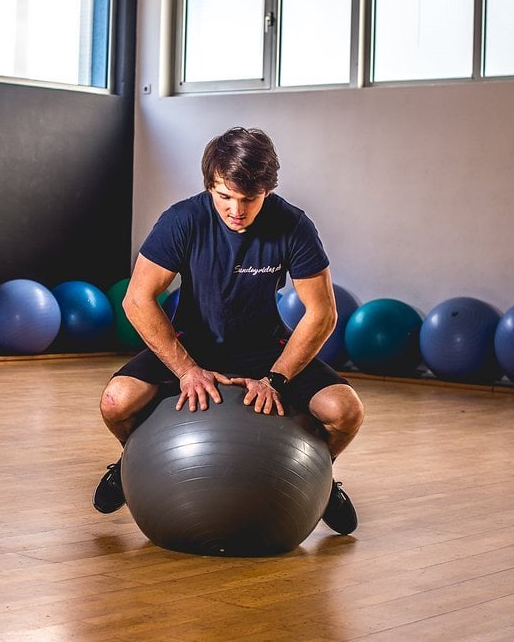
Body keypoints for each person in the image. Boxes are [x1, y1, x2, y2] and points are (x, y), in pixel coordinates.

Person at [93, 126, 365, 535]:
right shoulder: (182, 220)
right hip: (191, 347)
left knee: (346, 411)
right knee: (116, 402)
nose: (236, 209)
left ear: (267, 191)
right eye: (224, 196)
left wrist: (276, 377)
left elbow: (322, 313)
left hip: (266, 351)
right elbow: (137, 299)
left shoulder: (293, 226)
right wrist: (186, 370)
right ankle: (130, 463)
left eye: (249, 199)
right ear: (210, 186)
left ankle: (321, 482)